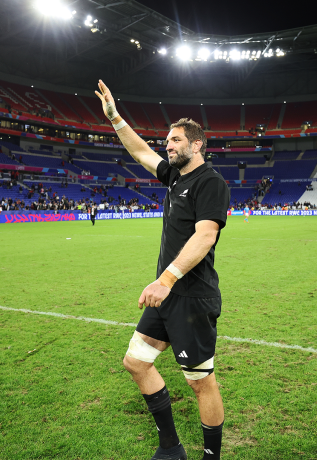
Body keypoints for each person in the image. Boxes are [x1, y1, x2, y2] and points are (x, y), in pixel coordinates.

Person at [96, 79, 229, 460]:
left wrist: (167, 279)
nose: (167, 146)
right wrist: (116, 118)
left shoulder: (210, 182)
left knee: (201, 383)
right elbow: (140, 152)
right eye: (167, 141)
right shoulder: (174, 176)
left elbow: (206, 236)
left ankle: (211, 457)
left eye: (174, 141)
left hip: (191, 296)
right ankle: (171, 447)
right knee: (136, 363)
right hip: (166, 295)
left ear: (196, 145)